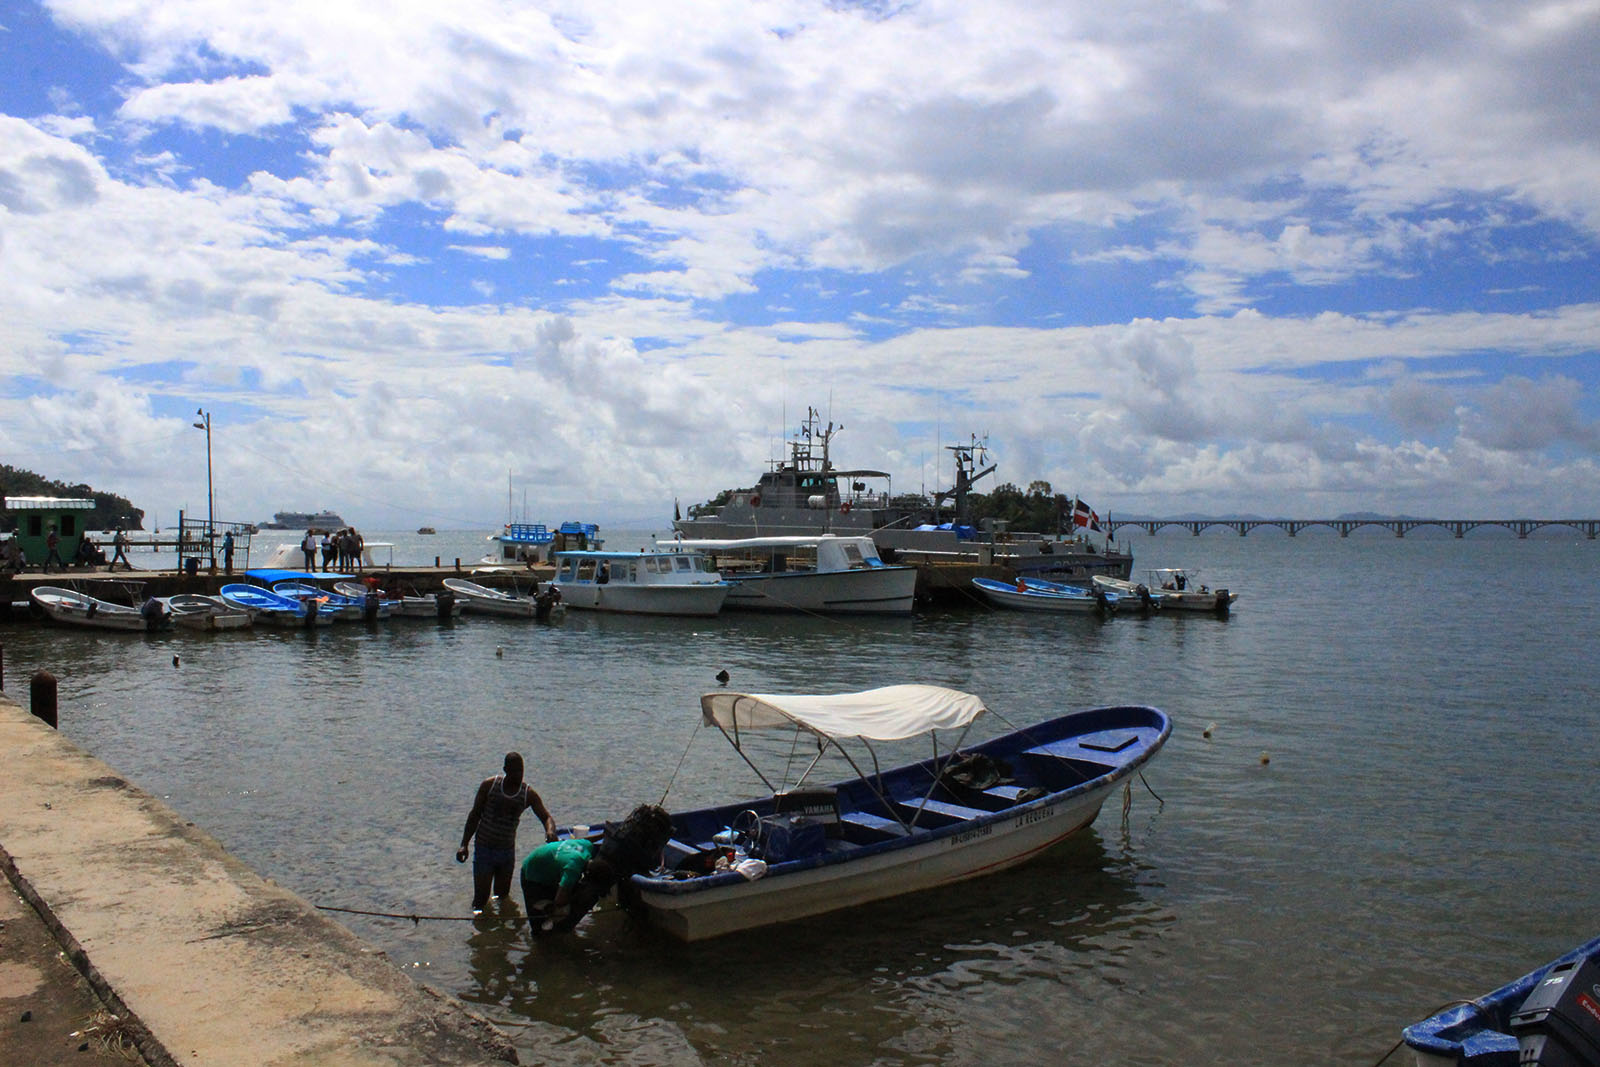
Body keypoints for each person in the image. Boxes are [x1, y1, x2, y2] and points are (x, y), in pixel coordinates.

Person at [456, 752, 558, 913]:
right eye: (514, 771)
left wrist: (550, 831)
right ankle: (481, 931)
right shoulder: (489, 786)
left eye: (521, 771)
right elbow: (474, 815)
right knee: (480, 900)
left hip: (506, 852)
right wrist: (464, 845)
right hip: (484, 849)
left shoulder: (527, 794)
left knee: (502, 897)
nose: (518, 775)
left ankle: (503, 931)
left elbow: (546, 816)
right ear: (505, 770)